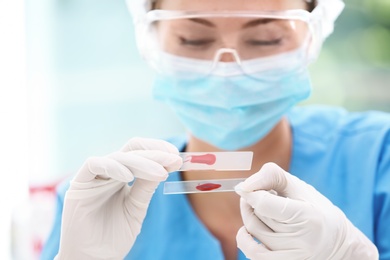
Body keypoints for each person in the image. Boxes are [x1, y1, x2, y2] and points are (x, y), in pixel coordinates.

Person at [40, 0, 390, 259]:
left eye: (265, 39)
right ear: (150, 40)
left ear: (313, 35)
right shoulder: (97, 202)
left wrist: (348, 253)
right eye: (193, 39)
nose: (227, 72)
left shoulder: (377, 159)